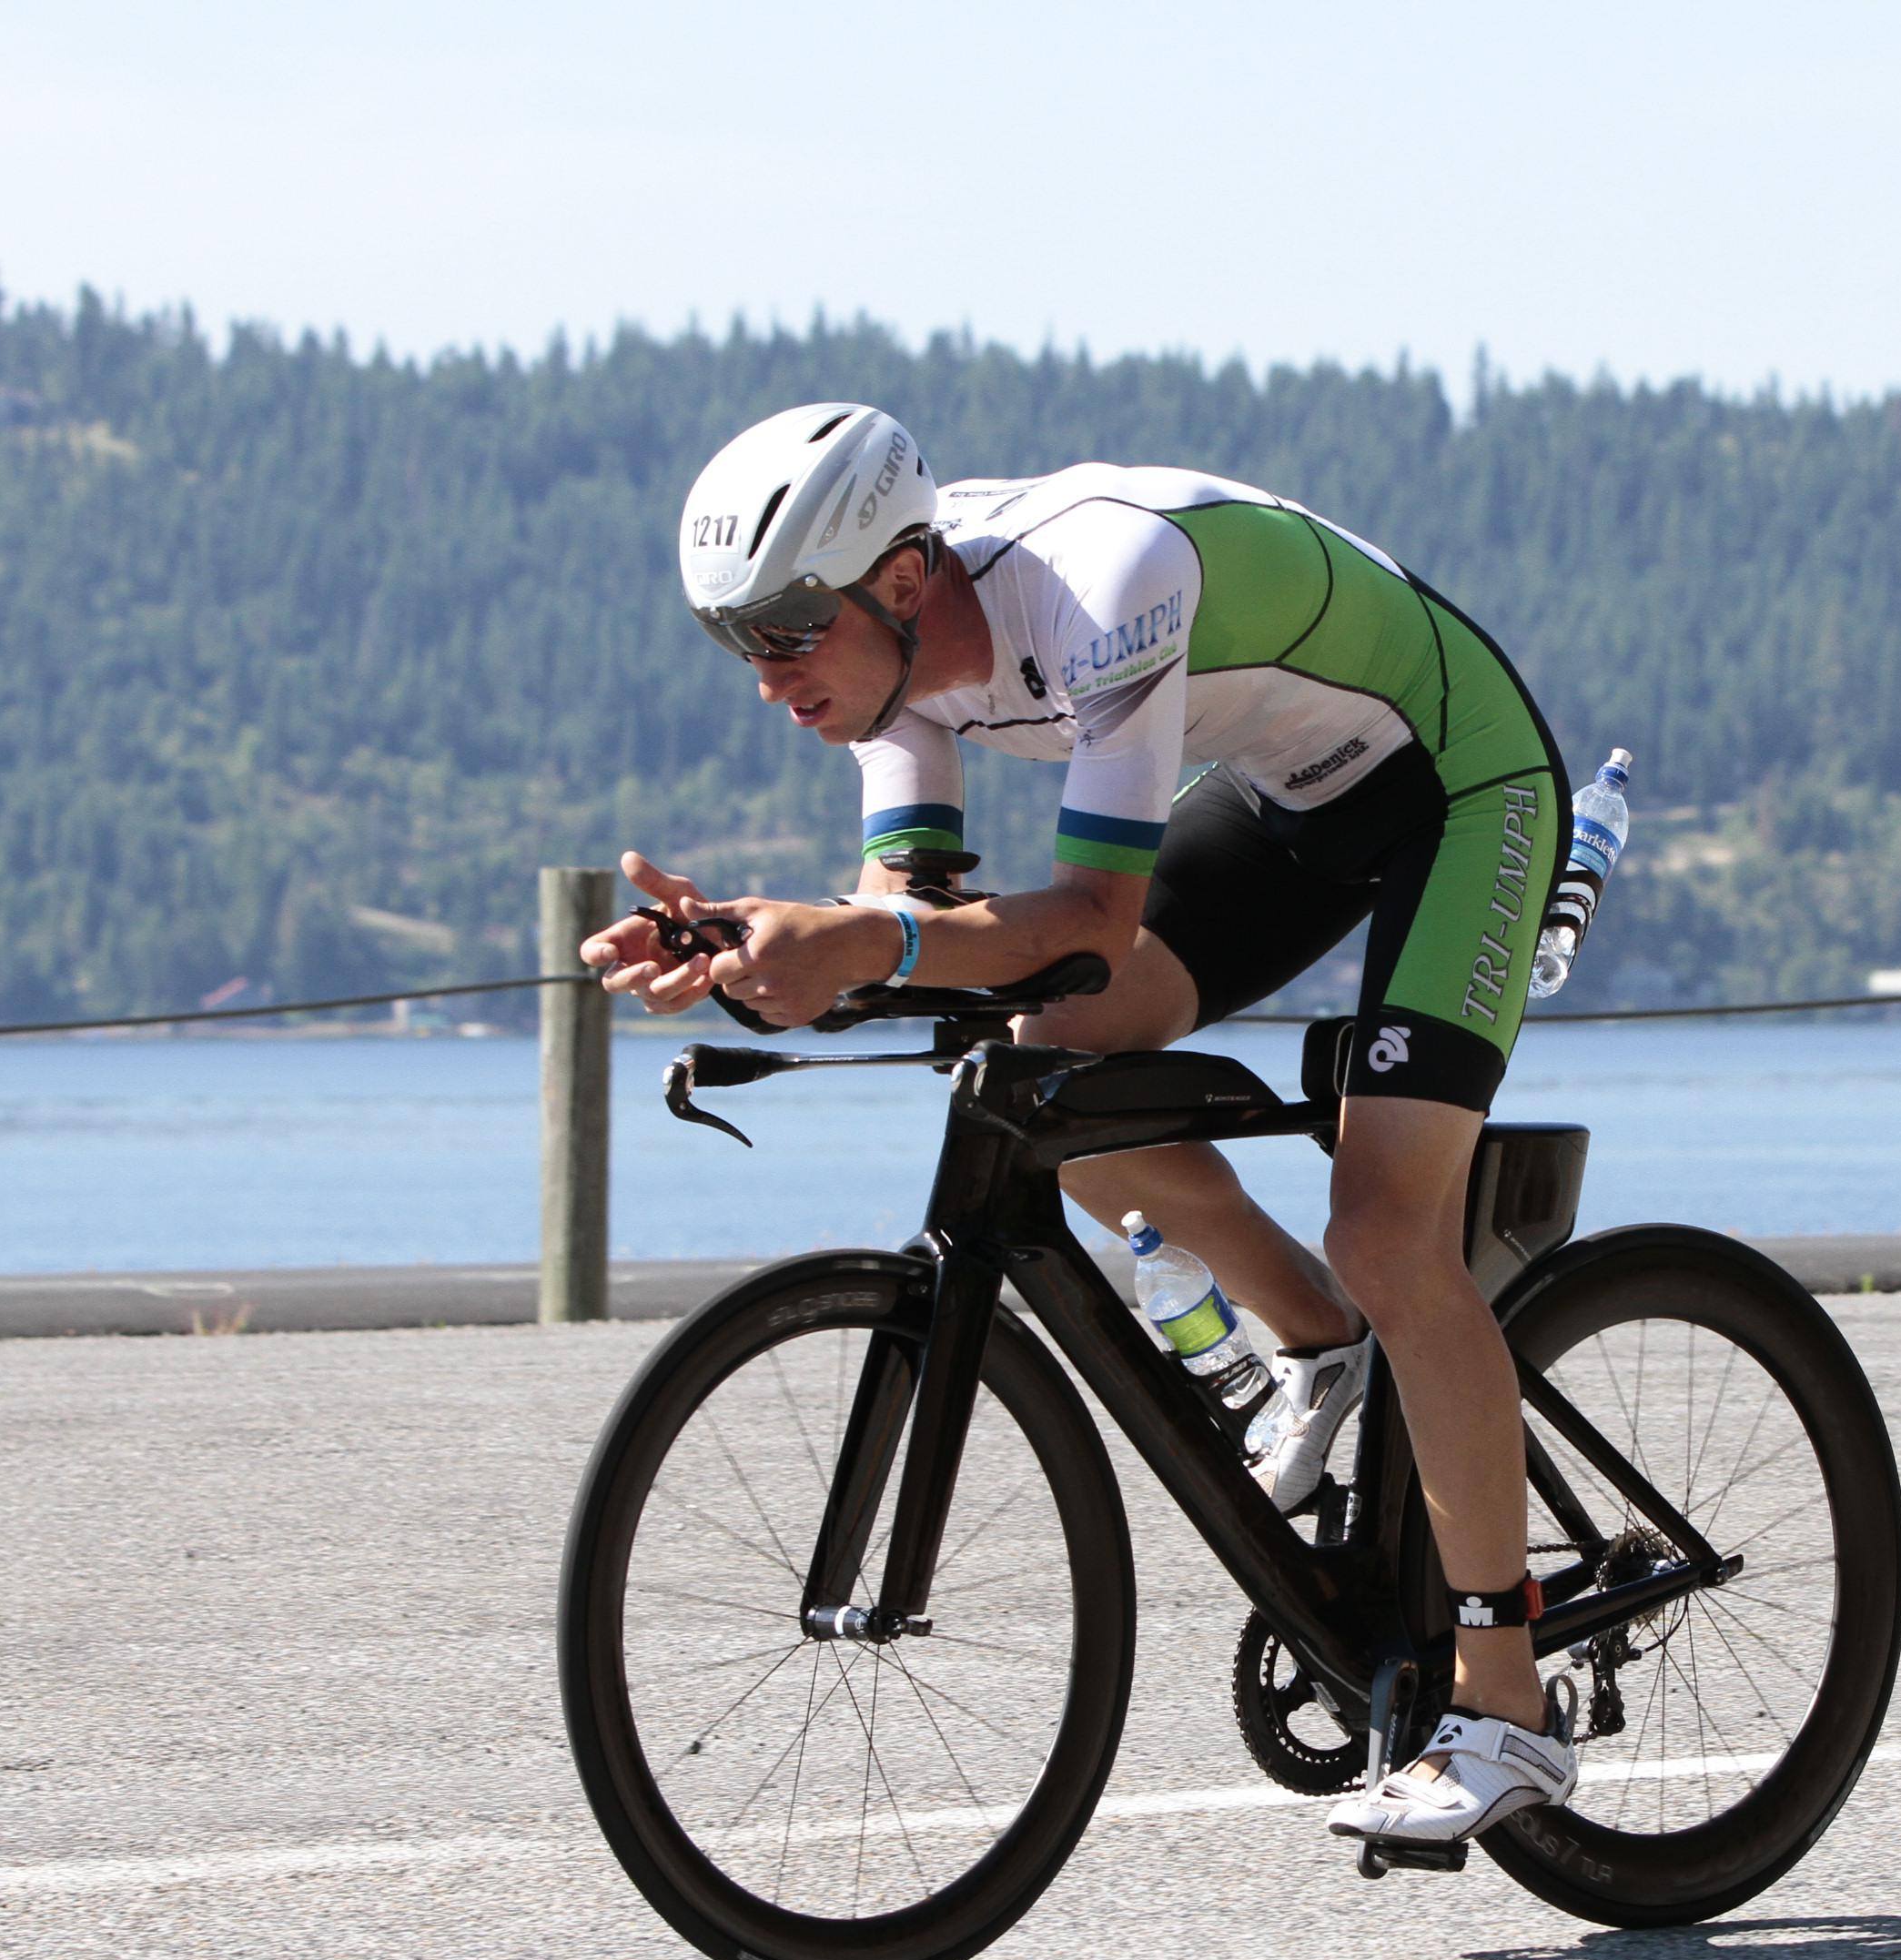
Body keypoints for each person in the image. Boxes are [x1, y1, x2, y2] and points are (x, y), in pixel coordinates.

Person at [581, 403, 1578, 1851]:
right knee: (1048, 1076)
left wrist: (854, 946)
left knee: (1388, 1229)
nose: (768, 680)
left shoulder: (1106, 584)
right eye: (738, 641)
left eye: (790, 633)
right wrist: (754, 951)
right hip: (1289, 795)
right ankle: (1322, 1347)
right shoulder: (895, 673)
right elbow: (919, 924)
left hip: (1459, 782)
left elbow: (1090, 923)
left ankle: (1508, 1710)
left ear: (905, 579)